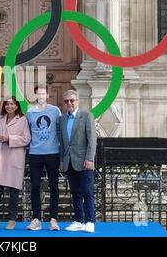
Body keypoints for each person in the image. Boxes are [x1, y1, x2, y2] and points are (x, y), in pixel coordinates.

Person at [0, 96, 31, 230]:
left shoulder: (23, 120)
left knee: (13, 192)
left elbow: (27, 139)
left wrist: (10, 138)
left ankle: (12, 220)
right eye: (7, 104)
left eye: (12, 104)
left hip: (14, 158)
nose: (9, 106)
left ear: (17, 106)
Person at [60, 90, 97, 233]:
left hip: (84, 161)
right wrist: (62, 160)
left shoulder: (87, 116)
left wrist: (89, 158)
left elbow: (92, 140)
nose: (69, 103)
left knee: (88, 192)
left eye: (72, 100)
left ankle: (90, 221)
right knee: (75, 192)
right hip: (69, 161)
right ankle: (79, 220)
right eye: (66, 101)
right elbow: (63, 143)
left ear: (78, 101)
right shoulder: (62, 119)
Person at [26, 85, 62, 231]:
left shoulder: (55, 111)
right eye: (38, 94)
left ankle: (53, 219)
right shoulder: (30, 111)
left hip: (53, 153)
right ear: (35, 96)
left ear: (47, 95)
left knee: (54, 187)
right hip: (35, 154)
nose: (41, 96)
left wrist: (61, 153)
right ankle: (36, 219)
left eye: (43, 93)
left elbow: (60, 131)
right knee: (34, 187)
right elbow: (27, 131)